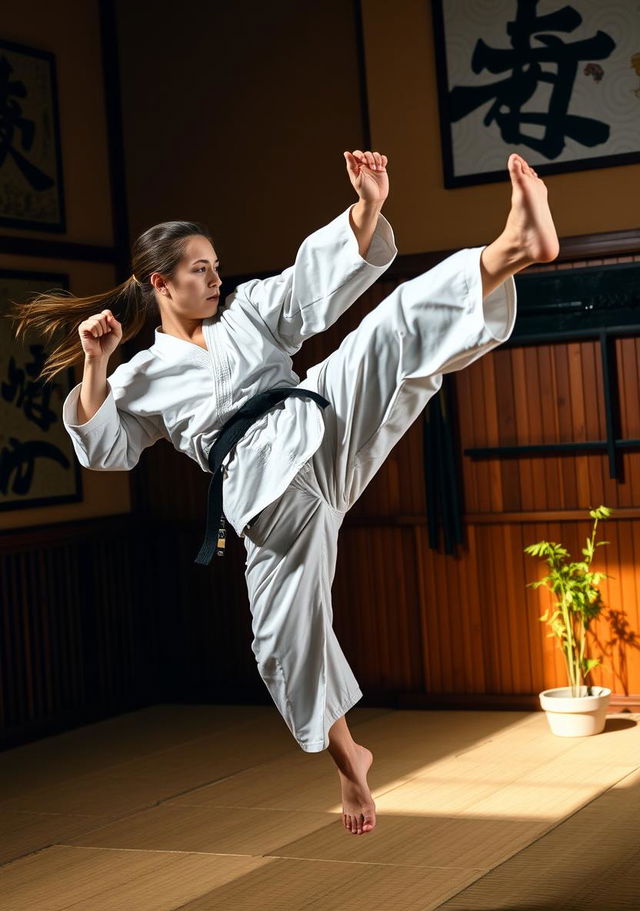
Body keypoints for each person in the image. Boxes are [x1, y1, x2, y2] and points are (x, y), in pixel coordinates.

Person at [13, 150, 559, 836]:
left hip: (313, 416)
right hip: (263, 488)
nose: (216, 278)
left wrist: (366, 207)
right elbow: (106, 448)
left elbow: (311, 285)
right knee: (281, 638)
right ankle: (347, 756)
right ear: (161, 282)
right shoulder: (143, 373)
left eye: (215, 266)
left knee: (386, 335)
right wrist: (96, 364)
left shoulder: (248, 313)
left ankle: (511, 248)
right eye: (200, 269)